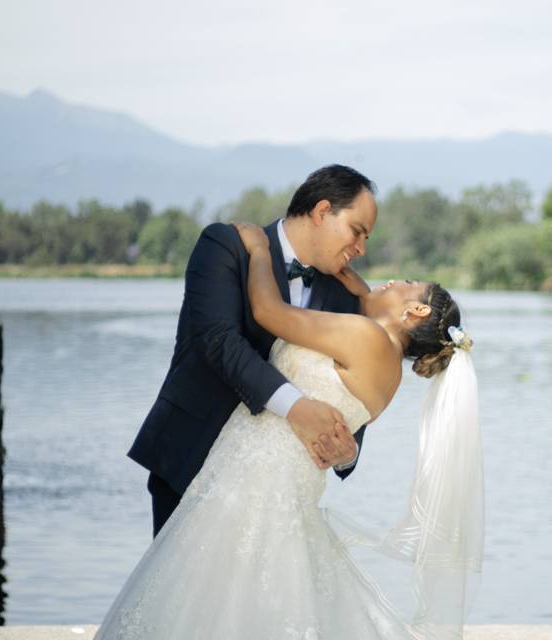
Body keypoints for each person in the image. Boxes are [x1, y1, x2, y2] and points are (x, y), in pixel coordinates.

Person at [96, 222, 482, 639]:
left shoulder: (364, 335)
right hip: (283, 493)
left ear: (418, 310)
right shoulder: (390, 373)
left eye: (407, 284)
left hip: (248, 485)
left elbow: (268, 313)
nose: (392, 279)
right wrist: (368, 294)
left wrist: (260, 251)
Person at [128, 165, 378, 537]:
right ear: (322, 211)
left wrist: (348, 453)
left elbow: (353, 384)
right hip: (192, 460)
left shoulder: (346, 295)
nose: (361, 248)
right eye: (357, 231)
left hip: (276, 490)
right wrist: (297, 408)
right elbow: (220, 342)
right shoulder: (226, 246)